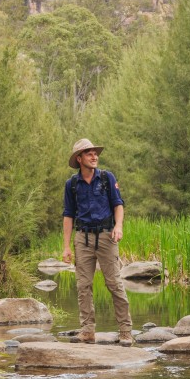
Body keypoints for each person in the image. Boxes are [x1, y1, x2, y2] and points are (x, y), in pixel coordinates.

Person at [62, 138, 133, 344]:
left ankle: (125, 332)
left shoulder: (106, 178)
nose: (95, 157)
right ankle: (87, 330)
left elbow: (118, 204)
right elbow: (68, 215)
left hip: (106, 236)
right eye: (89, 153)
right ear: (79, 158)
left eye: (95, 153)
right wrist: (66, 246)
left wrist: (118, 226)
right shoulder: (72, 184)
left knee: (114, 283)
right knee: (83, 285)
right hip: (82, 238)